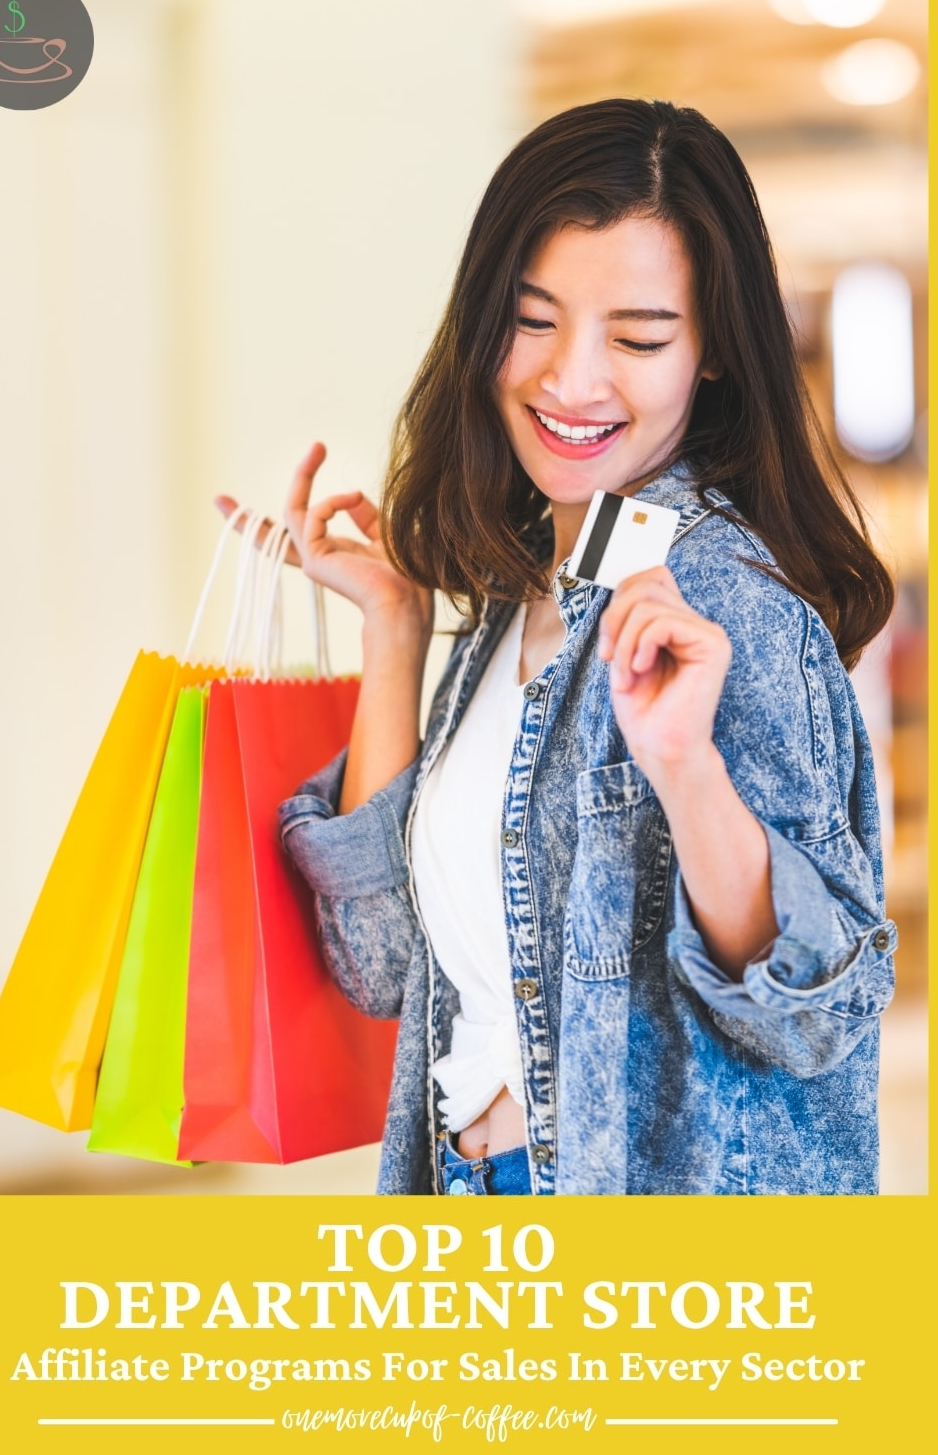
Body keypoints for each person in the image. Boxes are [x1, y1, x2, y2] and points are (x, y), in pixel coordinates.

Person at [236, 99, 897, 1195]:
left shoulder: (730, 611)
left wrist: (685, 770)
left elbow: (816, 1016)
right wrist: (396, 636)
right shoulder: (520, 601)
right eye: (533, 319)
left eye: (637, 337)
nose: (571, 380)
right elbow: (387, 968)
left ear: (716, 354)